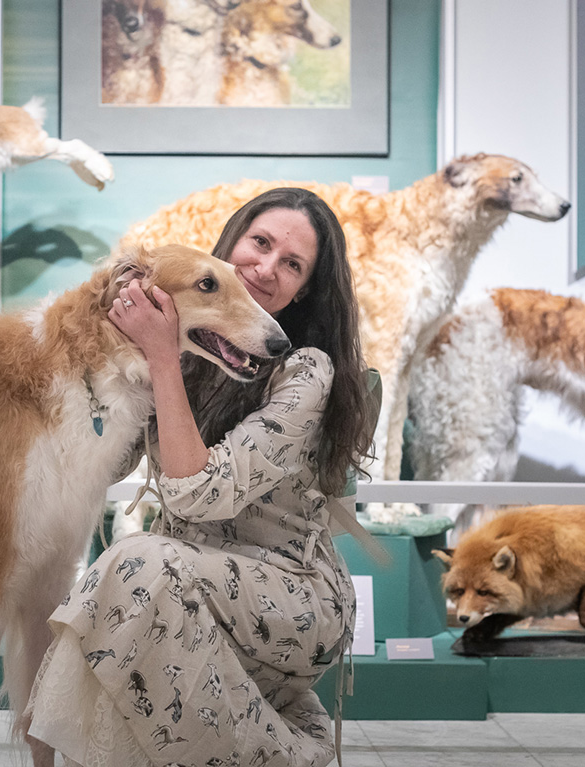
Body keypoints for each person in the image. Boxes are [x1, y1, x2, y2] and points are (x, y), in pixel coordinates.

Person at [26, 188, 375, 767]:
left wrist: (162, 357)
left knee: (135, 561)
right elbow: (106, 464)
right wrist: (119, 356)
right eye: (259, 243)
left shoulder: (305, 370)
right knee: (125, 589)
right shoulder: (190, 351)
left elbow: (202, 492)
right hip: (181, 579)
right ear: (232, 241)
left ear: (305, 288)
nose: (266, 269)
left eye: (292, 264)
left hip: (291, 598)